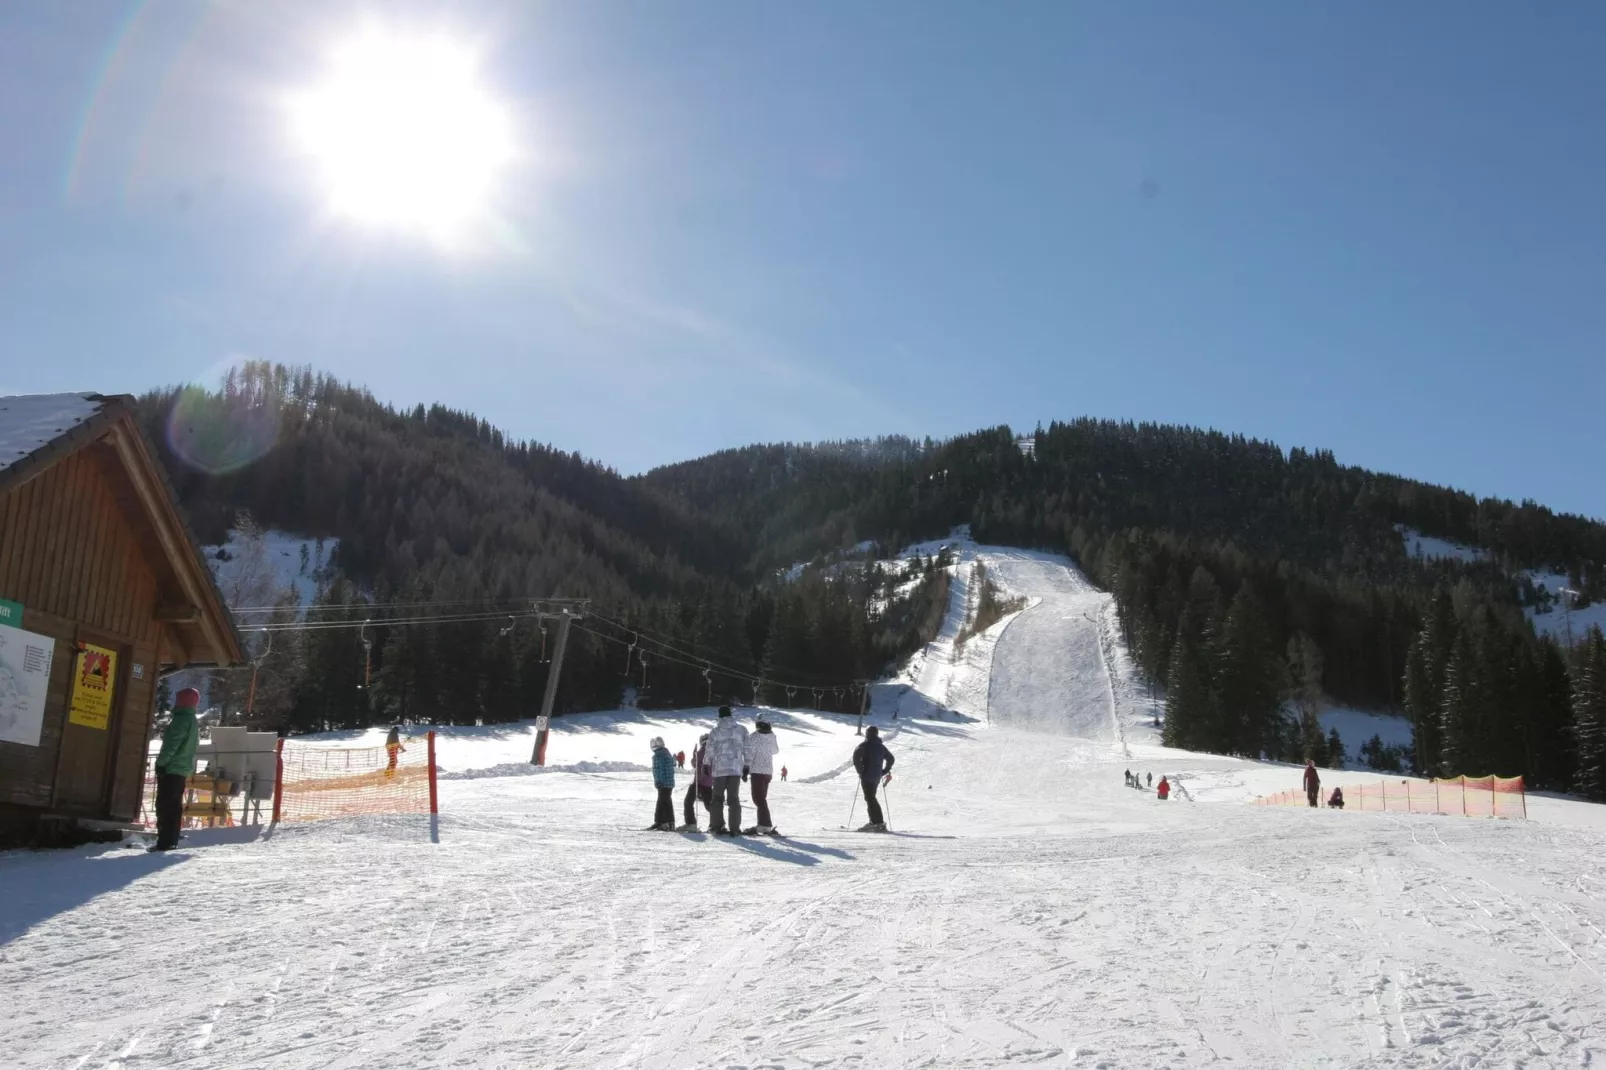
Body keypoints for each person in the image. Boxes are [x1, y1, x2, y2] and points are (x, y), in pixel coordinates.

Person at [150, 687, 200, 852]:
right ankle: (171, 840)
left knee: (165, 805)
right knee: (174, 806)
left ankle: (165, 842)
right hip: (182, 768)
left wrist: (161, 763)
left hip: (171, 768)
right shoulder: (192, 720)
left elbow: (172, 744)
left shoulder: (181, 720)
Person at [705, 706, 749, 834]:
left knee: (717, 798)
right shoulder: (742, 730)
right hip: (735, 769)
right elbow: (748, 749)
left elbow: (709, 749)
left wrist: (706, 764)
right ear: (731, 715)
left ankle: (716, 826)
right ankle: (735, 828)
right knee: (733, 798)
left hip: (720, 769)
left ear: (719, 716)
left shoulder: (715, 731)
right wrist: (746, 766)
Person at [852, 725, 895, 831]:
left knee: (870, 798)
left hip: (867, 776)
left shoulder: (865, 745)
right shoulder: (881, 746)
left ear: (868, 734)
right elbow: (891, 758)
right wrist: (884, 771)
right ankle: (875, 821)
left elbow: (856, 756)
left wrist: (860, 771)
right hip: (876, 777)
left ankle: (877, 822)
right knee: (871, 798)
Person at [745, 717, 781, 834]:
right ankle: (764, 823)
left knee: (758, 799)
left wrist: (745, 768)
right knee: (762, 799)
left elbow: (749, 754)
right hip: (768, 771)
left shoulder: (754, 737)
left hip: (757, 770)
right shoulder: (771, 736)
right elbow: (775, 751)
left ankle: (764, 824)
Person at [680, 733, 712, 831]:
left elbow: (695, 763)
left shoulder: (703, 749)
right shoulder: (715, 751)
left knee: (688, 801)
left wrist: (694, 755)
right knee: (710, 805)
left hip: (699, 782)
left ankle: (691, 823)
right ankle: (716, 823)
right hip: (709, 782)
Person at [650, 737, 676, 830]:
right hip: (669, 783)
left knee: (662, 802)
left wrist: (658, 782)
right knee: (666, 802)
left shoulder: (658, 755)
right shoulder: (666, 753)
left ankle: (661, 822)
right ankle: (668, 822)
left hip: (663, 783)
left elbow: (659, 770)